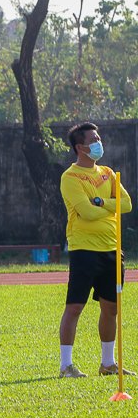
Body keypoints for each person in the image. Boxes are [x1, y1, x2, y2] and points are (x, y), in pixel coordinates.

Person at [59, 122, 134, 378]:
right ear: (80, 147)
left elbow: (127, 205)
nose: (98, 142)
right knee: (74, 307)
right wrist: (107, 207)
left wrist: (102, 201)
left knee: (111, 309)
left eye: (98, 137)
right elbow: (86, 212)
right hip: (84, 251)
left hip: (112, 251)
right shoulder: (70, 177)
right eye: (93, 139)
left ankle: (108, 363)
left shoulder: (109, 173)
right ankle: (66, 365)